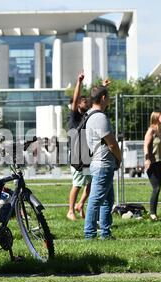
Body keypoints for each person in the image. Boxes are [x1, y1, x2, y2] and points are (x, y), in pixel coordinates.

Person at [84, 84, 121, 240]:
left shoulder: (91, 114)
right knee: (96, 200)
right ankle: (89, 234)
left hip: (101, 164)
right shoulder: (100, 117)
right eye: (109, 96)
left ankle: (106, 233)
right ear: (104, 98)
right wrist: (119, 158)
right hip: (103, 164)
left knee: (107, 201)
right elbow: (111, 143)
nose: (110, 99)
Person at [67, 72, 91, 221]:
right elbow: (76, 98)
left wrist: (103, 87)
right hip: (76, 154)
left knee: (91, 182)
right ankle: (70, 211)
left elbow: (98, 102)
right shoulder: (74, 115)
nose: (86, 102)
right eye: (83, 101)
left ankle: (80, 204)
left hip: (87, 153)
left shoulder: (88, 116)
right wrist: (79, 82)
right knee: (77, 183)